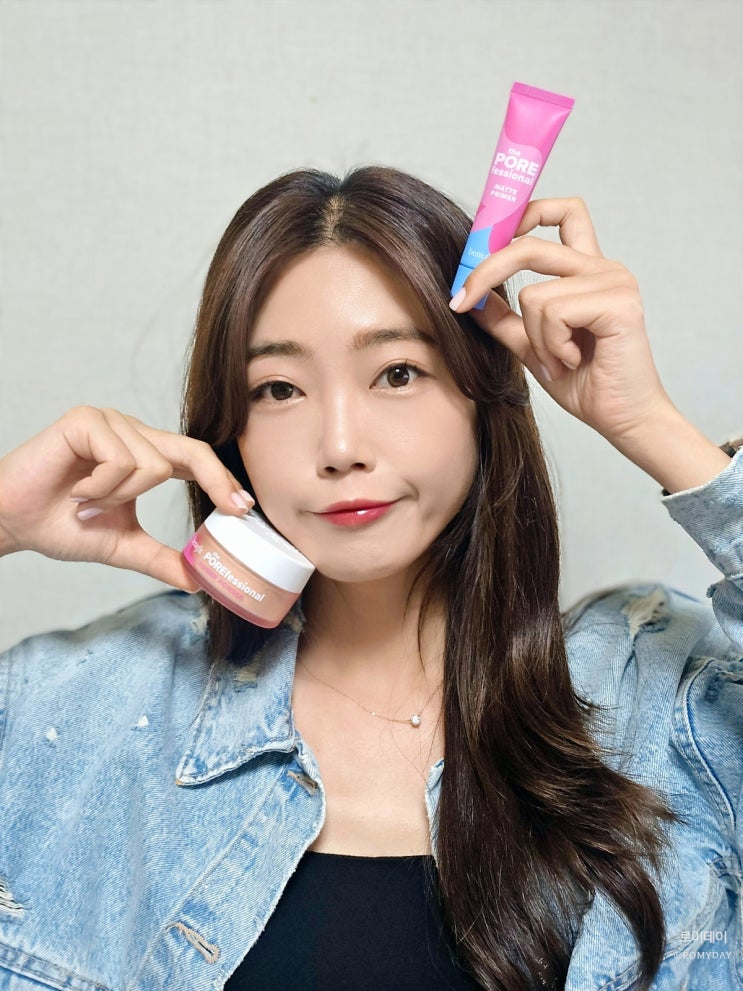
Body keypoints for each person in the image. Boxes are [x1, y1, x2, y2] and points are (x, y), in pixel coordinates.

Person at [0, 166, 740, 991]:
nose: (340, 446)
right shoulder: (89, 706)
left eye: (396, 373)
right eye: (278, 388)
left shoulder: (665, 708)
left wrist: (651, 425)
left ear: (481, 393)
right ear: (229, 433)